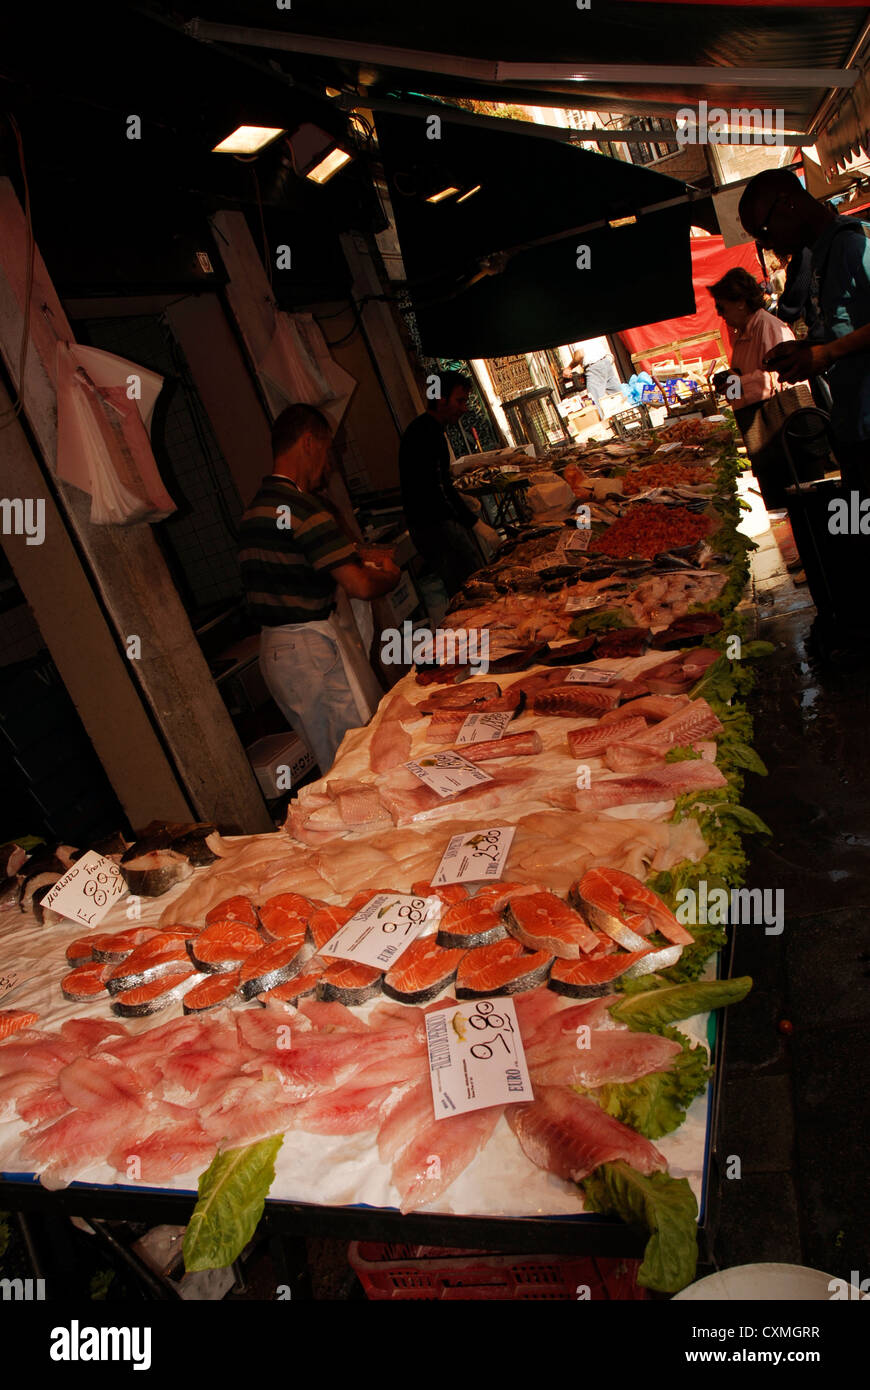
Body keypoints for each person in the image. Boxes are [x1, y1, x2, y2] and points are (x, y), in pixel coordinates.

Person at [239, 403, 400, 775]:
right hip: (311, 652)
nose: (327, 466)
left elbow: (296, 568)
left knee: (335, 761)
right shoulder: (302, 507)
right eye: (327, 452)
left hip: (278, 655)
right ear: (309, 442)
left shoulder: (255, 511)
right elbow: (359, 585)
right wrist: (390, 577)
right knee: (361, 756)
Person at [738, 168, 870, 488]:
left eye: (765, 232)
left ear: (788, 203)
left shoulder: (853, 247)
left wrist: (826, 353)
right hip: (854, 432)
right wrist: (808, 348)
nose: (768, 245)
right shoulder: (820, 257)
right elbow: (848, 327)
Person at [399, 371, 500, 596]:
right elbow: (436, 490)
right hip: (433, 527)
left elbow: (435, 482)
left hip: (432, 524)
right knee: (470, 589)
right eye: (460, 401)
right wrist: (475, 523)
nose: (464, 408)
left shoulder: (426, 428)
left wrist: (460, 500)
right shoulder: (427, 433)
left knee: (469, 582)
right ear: (441, 400)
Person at [564, 337, 624, 421]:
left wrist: (569, 368)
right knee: (618, 395)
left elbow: (580, 354)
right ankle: (629, 418)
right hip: (605, 362)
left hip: (594, 367)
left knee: (595, 401)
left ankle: (605, 424)